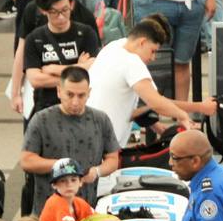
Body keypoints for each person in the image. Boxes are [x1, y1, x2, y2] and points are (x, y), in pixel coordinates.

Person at [88, 16, 209, 147]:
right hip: (104, 145)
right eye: (153, 51)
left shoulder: (113, 46)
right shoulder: (132, 62)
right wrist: (183, 115)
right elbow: (157, 102)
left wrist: (152, 123)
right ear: (142, 42)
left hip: (89, 134)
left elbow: (118, 104)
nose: (153, 58)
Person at [18, 0, 100, 117]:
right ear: (44, 11)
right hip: (46, 108)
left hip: (81, 109)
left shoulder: (86, 33)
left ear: (71, 5)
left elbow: (93, 70)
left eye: (65, 10)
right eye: (54, 12)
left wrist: (53, 69)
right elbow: (36, 80)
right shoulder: (34, 38)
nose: (61, 17)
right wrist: (78, 69)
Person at [130, 0, 212, 105]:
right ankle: (151, 120)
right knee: (153, 65)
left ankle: (181, 119)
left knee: (182, 63)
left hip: (192, 2)